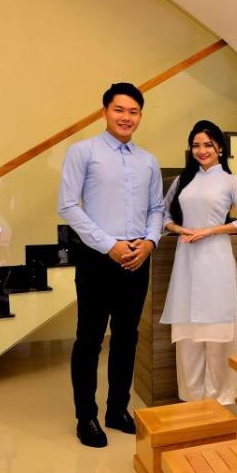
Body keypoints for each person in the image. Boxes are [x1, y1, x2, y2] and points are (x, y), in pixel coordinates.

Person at [57, 83, 163, 447]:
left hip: (137, 257)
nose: (126, 117)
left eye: (133, 112)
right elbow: (67, 205)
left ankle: (117, 409)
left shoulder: (148, 160)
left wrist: (150, 242)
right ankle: (85, 416)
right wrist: (108, 245)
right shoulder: (83, 152)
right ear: (105, 112)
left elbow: (157, 208)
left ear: (140, 116)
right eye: (119, 110)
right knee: (89, 340)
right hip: (97, 257)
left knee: (127, 337)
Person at [160, 120, 237, 404]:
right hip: (186, 258)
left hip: (216, 258)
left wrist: (210, 230)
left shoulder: (231, 181)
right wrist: (180, 229)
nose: (201, 150)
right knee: (188, 333)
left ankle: (220, 397)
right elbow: (163, 216)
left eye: (208, 145)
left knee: (217, 332)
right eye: (196, 145)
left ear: (220, 148)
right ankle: (192, 397)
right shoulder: (182, 181)